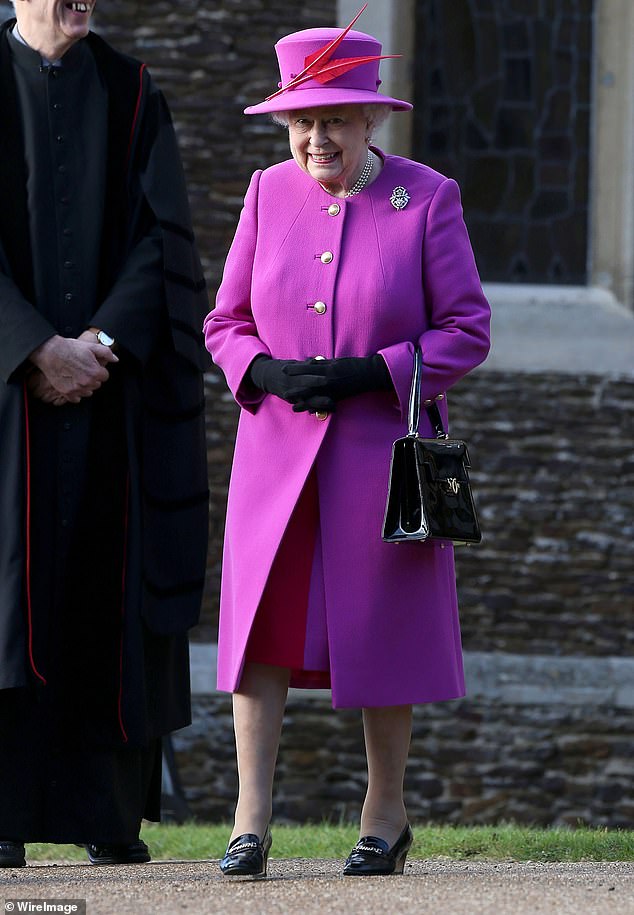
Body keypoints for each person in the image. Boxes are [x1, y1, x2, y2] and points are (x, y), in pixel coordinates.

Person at [204, 6, 490, 878]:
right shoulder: (264, 192)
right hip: (275, 453)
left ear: (369, 116)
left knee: (385, 628)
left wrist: (380, 371)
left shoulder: (426, 196)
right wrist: (259, 372)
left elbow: (467, 329)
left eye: (333, 118)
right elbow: (226, 319)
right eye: (301, 121)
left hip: (381, 455)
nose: (316, 137)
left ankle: (386, 812)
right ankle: (251, 816)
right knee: (261, 630)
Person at [0, 0, 209, 867]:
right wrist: (30, 347)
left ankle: (106, 814)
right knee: (7, 601)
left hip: (110, 399)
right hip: (6, 402)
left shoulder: (134, 92)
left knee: (105, 589)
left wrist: (101, 347)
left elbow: (162, 243)